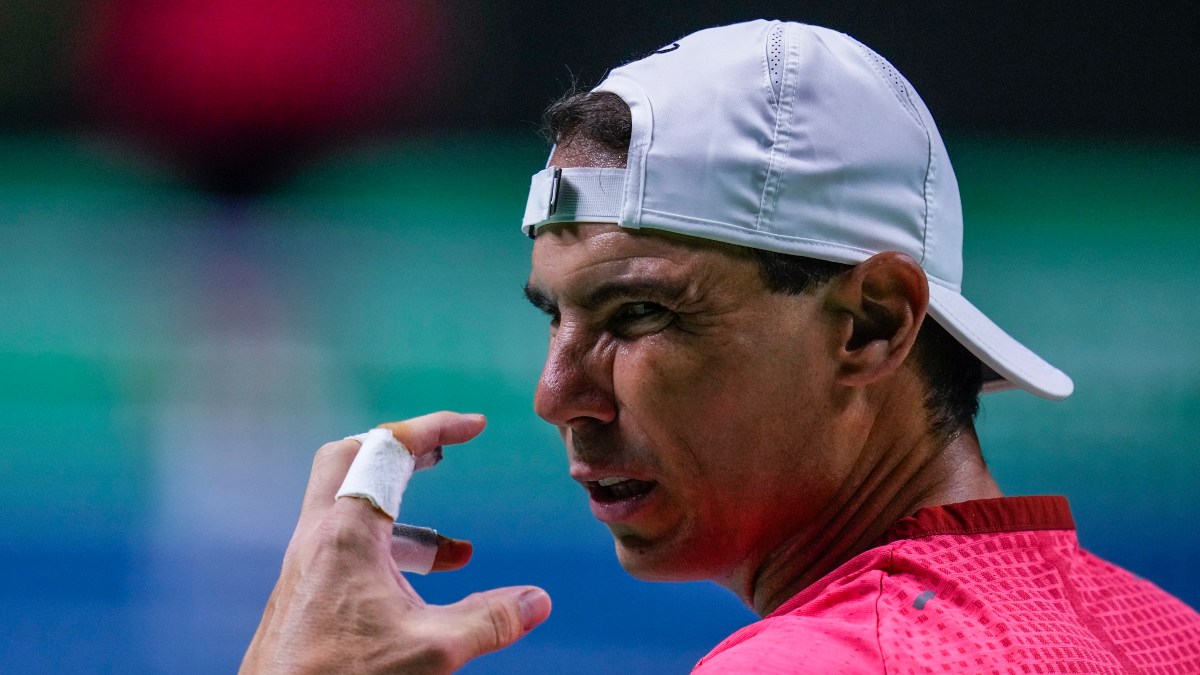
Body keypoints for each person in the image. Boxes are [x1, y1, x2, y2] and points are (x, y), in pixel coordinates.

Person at [241, 20, 1200, 673]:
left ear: (871, 324)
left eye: (638, 316)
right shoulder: (1169, 635)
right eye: (554, 317)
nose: (557, 392)